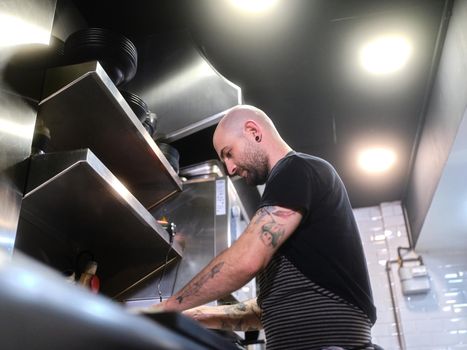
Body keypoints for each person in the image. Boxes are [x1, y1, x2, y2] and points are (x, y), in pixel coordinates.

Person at [146, 105, 377, 350]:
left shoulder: (297, 169)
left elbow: (245, 260)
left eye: (228, 153)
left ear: (253, 131)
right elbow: (264, 311)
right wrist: (191, 316)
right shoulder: (292, 193)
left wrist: (166, 309)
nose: (230, 168)